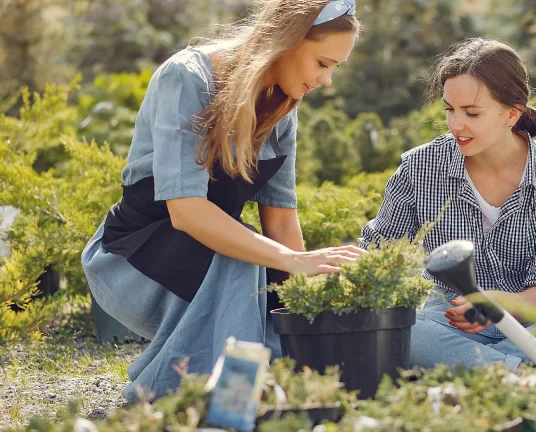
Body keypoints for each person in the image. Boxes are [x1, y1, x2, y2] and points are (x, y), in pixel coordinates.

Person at [81, 0, 362, 402]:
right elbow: (187, 212)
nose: (327, 80)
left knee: (284, 339)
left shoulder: (283, 105)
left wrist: (303, 305)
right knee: (245, 261)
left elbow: (281, 222)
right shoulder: (187, 77)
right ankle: (209, 400)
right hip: (131, 258)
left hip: (209, 266)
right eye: (322, 63)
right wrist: (292, 261)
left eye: (335, 68)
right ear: (286, 41)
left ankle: (224, 393)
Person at [359, 38, 536, 371]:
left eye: (471, 113)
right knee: (408, 331)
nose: (455, 124)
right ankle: (521, 374)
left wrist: (494, 304)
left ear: (511, 113)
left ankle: (486, 370)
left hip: (532, 323)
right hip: (449, 321)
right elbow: (377, 252)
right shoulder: (419, 168)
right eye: (449, 109)